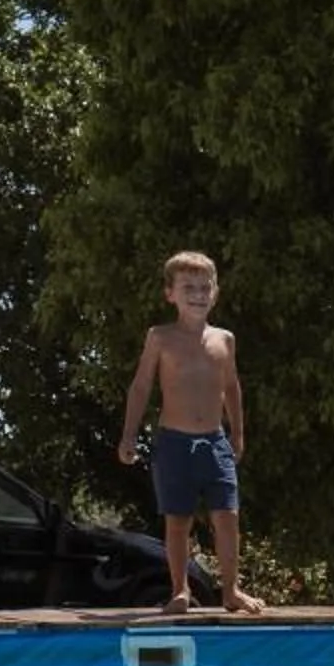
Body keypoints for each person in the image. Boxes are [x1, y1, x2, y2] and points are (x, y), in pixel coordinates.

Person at [116, 251, 266, 613]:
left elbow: (231, 388)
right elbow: (140, 387)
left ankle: (231, 591)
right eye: (188, 288)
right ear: (170, 294)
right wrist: (128, 435)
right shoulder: (161, 337)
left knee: (227, 516)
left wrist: (238, 433)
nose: (198, 294)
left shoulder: (224, 339)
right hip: (173, 442)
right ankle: (180, 591)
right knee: (178, 520)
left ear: (215, 292)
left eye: (204, 287)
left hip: (215, 441)